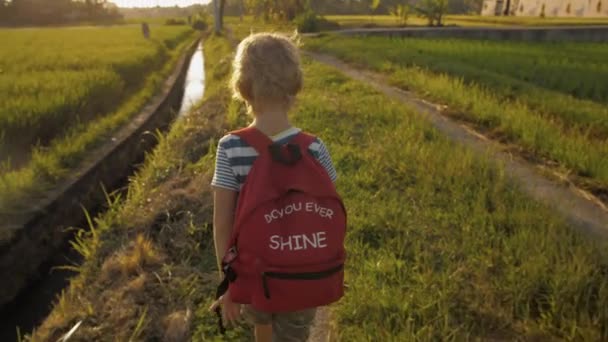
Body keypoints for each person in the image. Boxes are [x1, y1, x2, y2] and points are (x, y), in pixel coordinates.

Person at [209, 33, 342, 342]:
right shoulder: (314, 148)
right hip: (303, 275)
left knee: (262, 324)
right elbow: (326, 208)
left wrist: (227, 281)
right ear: (294, 86)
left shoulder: (231, 147)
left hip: (255, 275)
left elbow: (222, 224)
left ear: (243, 89)